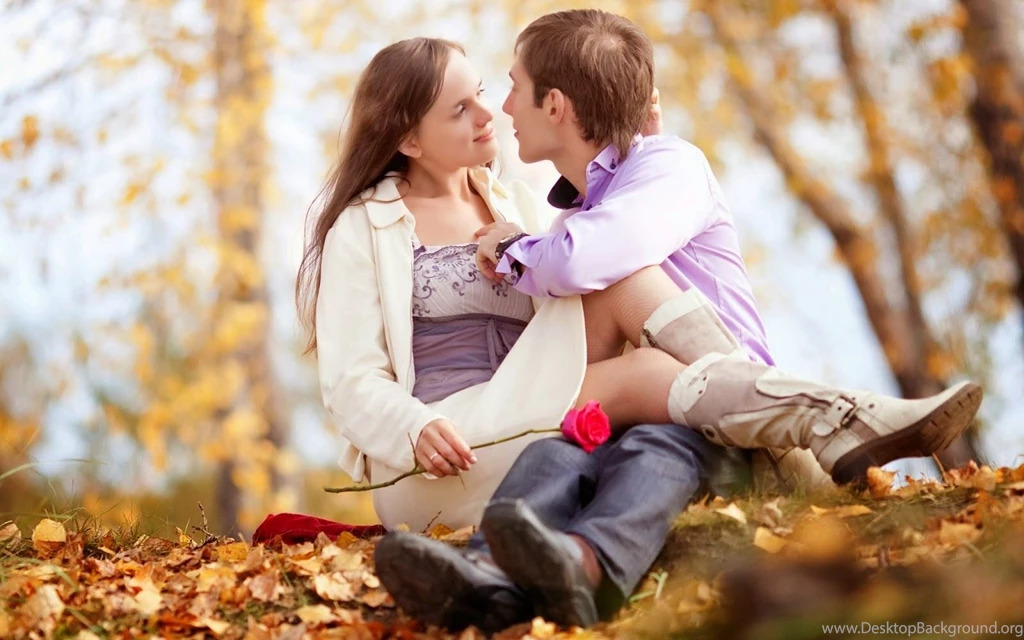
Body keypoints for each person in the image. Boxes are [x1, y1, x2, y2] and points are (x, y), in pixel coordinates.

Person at [373, 7, 984, 632]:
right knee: (557, 455)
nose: (501, 109)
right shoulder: (572, 220)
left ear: (554, 104)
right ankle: (491, 576)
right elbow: (568, 291)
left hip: (722, 423)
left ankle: (830, 418)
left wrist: (508, 246)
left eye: (511, 87)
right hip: (643, 410)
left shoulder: (666, 167)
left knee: (648, 395)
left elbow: (594, 255)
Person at [295, 37, 709, 534]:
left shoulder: (519, 207)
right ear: (410, 141)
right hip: (445, 454)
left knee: (624, 281)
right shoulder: (363, 225)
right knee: (647, 375)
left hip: (535, 413)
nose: (486, 115)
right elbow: (350, 379)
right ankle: (781, 426)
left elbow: (605, 259)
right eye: (459, 110)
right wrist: (413, 427)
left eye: (482, 93)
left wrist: (636, 155)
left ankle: (761, 401)